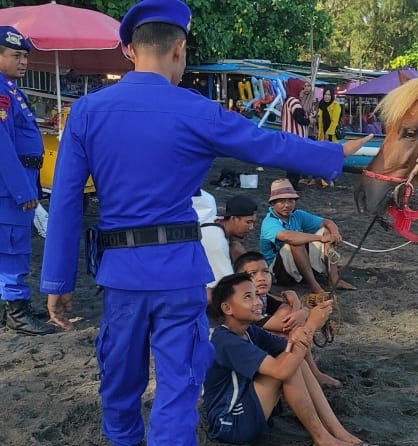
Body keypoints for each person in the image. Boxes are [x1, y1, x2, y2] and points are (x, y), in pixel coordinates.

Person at [39, 1, 372, 444]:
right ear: (178, 49)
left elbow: (64, 203)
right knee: (178, 391)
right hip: (179, 274)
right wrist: (334, 154)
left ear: (130, 51)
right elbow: (266, 145)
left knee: (119, 388)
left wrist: (57, 281)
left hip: (120, 277)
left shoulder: (86, 111)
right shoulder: (196, 110)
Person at [203, 273, 366, 445]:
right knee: (288, 368)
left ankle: (337, 431)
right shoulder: (225, 341)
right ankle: (322, 439)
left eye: (256, 295)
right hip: (229, 423)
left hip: (246, 406)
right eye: (247, 297)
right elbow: (282, 370)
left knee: (295, 361)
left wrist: (303, 319)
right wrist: (310, 326)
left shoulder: (249, 330)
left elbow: (291, 348)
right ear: (227, 308)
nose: (257, 302)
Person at [0, 26, 57, 335]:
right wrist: (22, 190)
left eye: (25, 56)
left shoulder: (9, 88)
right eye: (15, 55)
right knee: (12, 249)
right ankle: (16, 312)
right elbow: (2, 146)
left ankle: (14, 305)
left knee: (12, 246)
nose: (23, 62)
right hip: (9, 189)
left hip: (18, 182)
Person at [233, 250, 341, 387]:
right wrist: (298, 306)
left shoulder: (264, 297)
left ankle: (310, 371)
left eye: (265, 271)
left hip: (261, 345)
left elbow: (291, 315)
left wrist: (299, 309)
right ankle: (313, 372)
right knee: (290, 332)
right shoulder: (248, 306)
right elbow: (287, 322)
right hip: (250, 358)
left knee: (289, 324)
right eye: (252, 274)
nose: (261, 278)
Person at [260, 178, 356, 293]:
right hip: (277, 272)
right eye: (282, 201)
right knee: (296, 241)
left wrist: (334, 234)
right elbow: (287, 236)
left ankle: (334, 279)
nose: (287, 205)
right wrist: (320, 238)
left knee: (326, 231)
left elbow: (328, 222)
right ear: (273, 203)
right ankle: (315, 286)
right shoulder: (269, 221)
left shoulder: (298, 215)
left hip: (295, 264)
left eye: (291, 201)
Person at [193, 192, 257, 301]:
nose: (251, 228)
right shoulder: (217, 242)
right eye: (248, 222)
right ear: (233, 219)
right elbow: (226, 286)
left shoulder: (216, 220)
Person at [282, 77, 315, 187]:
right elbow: (299, 118)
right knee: (295, 163)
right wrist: (309, 120)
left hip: (290, 137)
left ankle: (292, 184)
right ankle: (292, 184)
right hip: (295, 137)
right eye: (301, 89)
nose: (302, 91)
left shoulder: (289, 100)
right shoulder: (294, 101)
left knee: (292, 163)